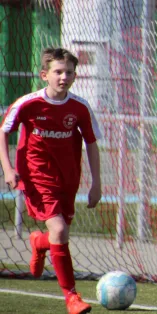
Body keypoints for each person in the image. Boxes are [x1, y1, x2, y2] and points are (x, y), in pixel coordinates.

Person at [0, 47, 102, 314]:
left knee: (60, 232)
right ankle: (71, 296)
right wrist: (8, 169)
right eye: (58, 72)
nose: (63, 77)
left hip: (68, 178)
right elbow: (3, 131)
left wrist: (97, 183)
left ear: (75, 76)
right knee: (59, 229)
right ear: (45, 74)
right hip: (35, 176)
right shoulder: (28, 103)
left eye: (68, 72)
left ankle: (39, 242)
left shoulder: (80, 107)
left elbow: (91, 143)